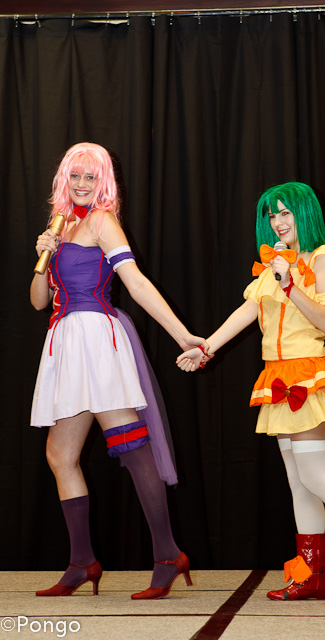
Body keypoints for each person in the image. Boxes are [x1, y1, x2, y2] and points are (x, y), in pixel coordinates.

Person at [177, 181, 325, 604]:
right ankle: (312, 576)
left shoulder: (323, 258)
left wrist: (289, 286)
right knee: (299, 483)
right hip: (276, 377)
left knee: (315, 475)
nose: (277, 222)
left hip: (308, 373)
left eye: (285, 212)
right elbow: (248, 310)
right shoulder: (275, 264)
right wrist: (206, 347)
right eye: (272, 215)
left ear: (304, 213)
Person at [31, 142, 206, 599]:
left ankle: (167, 554)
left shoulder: (102, 221)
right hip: (65, 342)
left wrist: (181, 335)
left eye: (90, 177)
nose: (82, 184)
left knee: (131, 447)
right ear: (63, 179)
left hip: (97, 339)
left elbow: (137, 283)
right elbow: (38, 301)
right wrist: (43, 256)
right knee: (60, 456)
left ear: (102, 182)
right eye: (75, 176)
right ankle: (82, 562)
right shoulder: (60, 225)